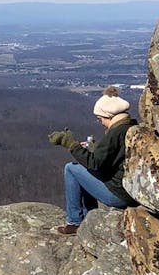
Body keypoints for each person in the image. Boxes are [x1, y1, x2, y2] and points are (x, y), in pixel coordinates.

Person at [47, 86, 137, 234]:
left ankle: (74, 222)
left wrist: (71, 144)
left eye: (100, 118)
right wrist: (94, 149)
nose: (100, 122)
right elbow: (114, 157)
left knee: (71, 168)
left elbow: (94, 164)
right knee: (82, 170)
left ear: (108, 116)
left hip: (118, 195)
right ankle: (90, 216)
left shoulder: (116, 133)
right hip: (129, 191)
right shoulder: (130, 126)